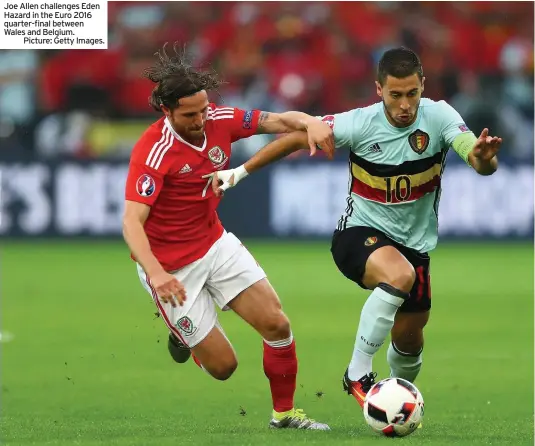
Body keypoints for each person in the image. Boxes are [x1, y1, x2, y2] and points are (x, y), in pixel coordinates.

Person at [207, 47, 502, 409]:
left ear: (423, 85)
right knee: (399, 274)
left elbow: (475, 156)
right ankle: (357, 373)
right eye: (396, 95)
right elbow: (298, 137)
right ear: (379, 90)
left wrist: (484, 159)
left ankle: (395, 403)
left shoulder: (439, 117)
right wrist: (239, 173)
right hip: (357, 235)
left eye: (413, 93)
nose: (405, 104)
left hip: (415, 245)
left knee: (410, 340)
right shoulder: (359, 123)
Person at [122, 43, 334, 430]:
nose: (201, 119)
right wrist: (156, 273)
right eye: (190, 114)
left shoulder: (220, 118)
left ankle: (284, 415)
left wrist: (310, 121)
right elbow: (131, 223)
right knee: (224, 367)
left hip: (214, 244)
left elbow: (276, 121)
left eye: (204, 109)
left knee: (277, 325)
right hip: (170, 269)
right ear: (166, 112)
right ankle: (185, 338)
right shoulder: (153, 152)